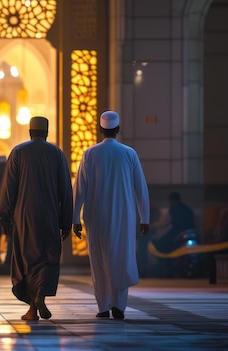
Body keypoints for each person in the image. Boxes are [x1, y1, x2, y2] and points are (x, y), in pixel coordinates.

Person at [72, 110, 150, 320]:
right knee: (121, 257)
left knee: (98, 261)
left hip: (97, 215)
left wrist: (75, 218)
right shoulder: (129, 153)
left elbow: (79, 188)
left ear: (100, 129)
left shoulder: (90, 153)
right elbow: (140, 188)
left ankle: (103, 306)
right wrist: (145, 218)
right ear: (117, 129)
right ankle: (119, 306)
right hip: (124, 215)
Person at [0, 116, 73, 321]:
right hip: (49, 216)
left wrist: (4, 218)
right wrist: (66, 221)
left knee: (27, 260)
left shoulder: (19, 152)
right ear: (46, 133)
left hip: (23, 217)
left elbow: (8, 189)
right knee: (47, 259)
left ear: (30, 132)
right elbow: (65, 190)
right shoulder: (56, 154)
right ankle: (39, 297)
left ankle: (32, 308)